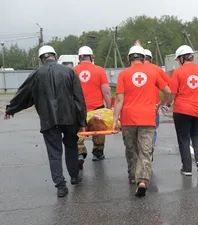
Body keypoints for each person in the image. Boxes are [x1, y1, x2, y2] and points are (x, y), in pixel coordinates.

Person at [4, 45, 86, 197]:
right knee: (71, 146)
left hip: (48, 120)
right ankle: (74, 176)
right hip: (69, 118)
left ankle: (61, 186)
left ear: (41, 59)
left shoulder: (36, 74)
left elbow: (23, 94)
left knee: (54, 152)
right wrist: (82, 122)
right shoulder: (70, 72)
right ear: (54, 55)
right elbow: (78, 98)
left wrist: (11, 109)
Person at [112, 45, 171, 197]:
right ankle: (143, 180)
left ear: (128, 58)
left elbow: (119, 99)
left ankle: (133, 176)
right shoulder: (153, 72)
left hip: (128, 118)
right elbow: (168, 91)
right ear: (144, 58)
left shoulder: (123, 74)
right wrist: (163, 103)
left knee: (131, 149)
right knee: (145, 150)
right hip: (148, 117)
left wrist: (114, 120)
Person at [167, 45, 198, 176]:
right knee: (197, 135)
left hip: (182, 110)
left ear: (182, 58)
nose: (178, 62)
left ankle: (187, 168)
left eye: (178, 59)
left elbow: (172, 93)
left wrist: (166, 104)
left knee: (183, 138)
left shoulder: (178, 72)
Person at [73, 46, 112, 169]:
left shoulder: (73, 71)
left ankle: (80, 154)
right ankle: (98, 153)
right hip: (97, 108)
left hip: (79, 108)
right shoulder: (99, 70)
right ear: (92, 57)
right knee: (99, 130)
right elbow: (106, 91)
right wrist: (109, 106)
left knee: (79, 132)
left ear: (79, 57)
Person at [143, 49, 171, 161]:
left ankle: (141, 152)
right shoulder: (157, 70)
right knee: (152, 129)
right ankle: (150, 148)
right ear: (151, 58)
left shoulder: (134, 70)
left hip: (137, 107)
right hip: (154, 106)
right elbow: (169, 86)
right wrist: (163, 102)